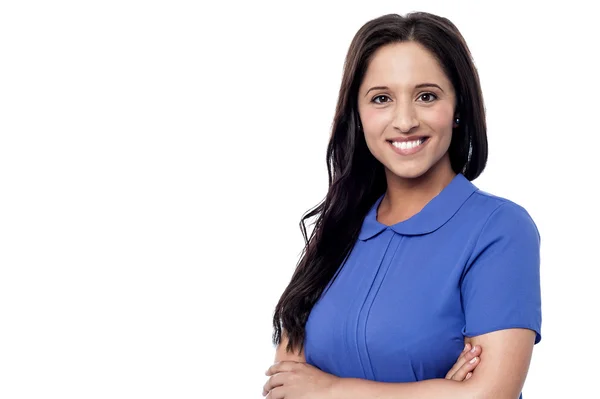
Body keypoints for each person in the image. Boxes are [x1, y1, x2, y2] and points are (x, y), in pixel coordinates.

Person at [264, 11, 541, 399]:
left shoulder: (499, 228)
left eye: (426, 96)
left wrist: (331, 390)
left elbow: (490, 393)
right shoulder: (338, 226)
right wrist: (438, 391)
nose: (405, 120)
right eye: (381, 99)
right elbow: (286, 386)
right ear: (357, 115)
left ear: (458, 107)